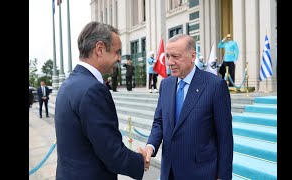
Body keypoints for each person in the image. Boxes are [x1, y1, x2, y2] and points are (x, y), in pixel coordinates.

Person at [54, 22, 148, 180]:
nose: (119, 58)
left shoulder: (69, 83)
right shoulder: (93, 90)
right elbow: (112, 153)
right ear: (99, 49)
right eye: (117, 52)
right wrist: (140, 160)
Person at [144, 34, 233, 180]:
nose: (169, 62)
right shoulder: (166, 85)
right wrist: (150, 146)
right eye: (167, 56)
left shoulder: (215, 86)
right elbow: (159, 122)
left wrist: (223, 176)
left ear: (193, 56)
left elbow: (225, 137)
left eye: (175, 56)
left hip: (202, 173)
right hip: (169, 172)